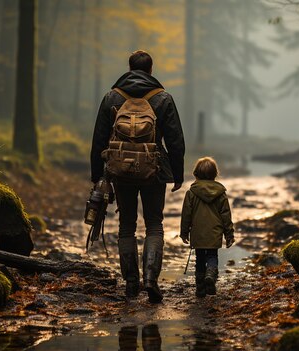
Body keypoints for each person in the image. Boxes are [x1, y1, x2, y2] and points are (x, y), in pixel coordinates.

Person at [90, 51, 185, 303]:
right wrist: (178, 173)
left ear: (130, 68)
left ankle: (131, 283)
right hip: (154, 169)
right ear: (151, 70)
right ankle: (151, 280)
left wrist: (97, 175)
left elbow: (99, 138)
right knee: (154, 224)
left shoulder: (113, 96)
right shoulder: (162, 98)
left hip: (120, 170)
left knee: (126, 226)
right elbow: (175, 140)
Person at [179, 157, 235, 297]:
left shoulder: (191, 193)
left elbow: (186, 214)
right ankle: (210, 275)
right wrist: (229, 235)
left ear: (196, 173)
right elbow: (226, 216)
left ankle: (200, 289)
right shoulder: (221, 194)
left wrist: (184, 232)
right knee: (212, 256)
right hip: (215, 232)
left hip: (198, 232)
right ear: (215, 174)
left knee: (199, 259)